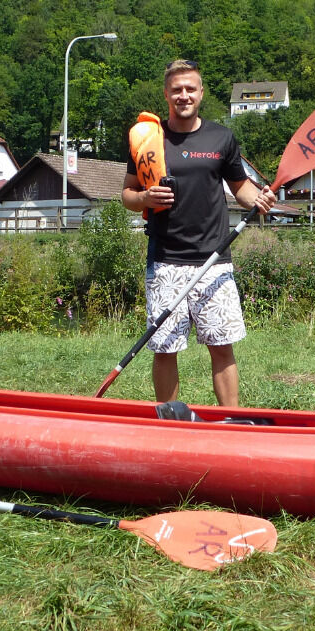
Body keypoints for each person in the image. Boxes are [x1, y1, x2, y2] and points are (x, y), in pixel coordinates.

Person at [122, 60, 276, 406]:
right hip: (165, 260)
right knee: (164, 349)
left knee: (221, 346)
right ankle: (169, 421)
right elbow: (127, 195)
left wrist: (260, 198)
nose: (184, 95)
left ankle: (232, 422)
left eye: (190, 88)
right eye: (176, 89)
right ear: (166, 94)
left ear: (201, 93)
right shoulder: (149, 139)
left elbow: (241, 188)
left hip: (214, 261)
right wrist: (145, 197)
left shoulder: (221, 137)